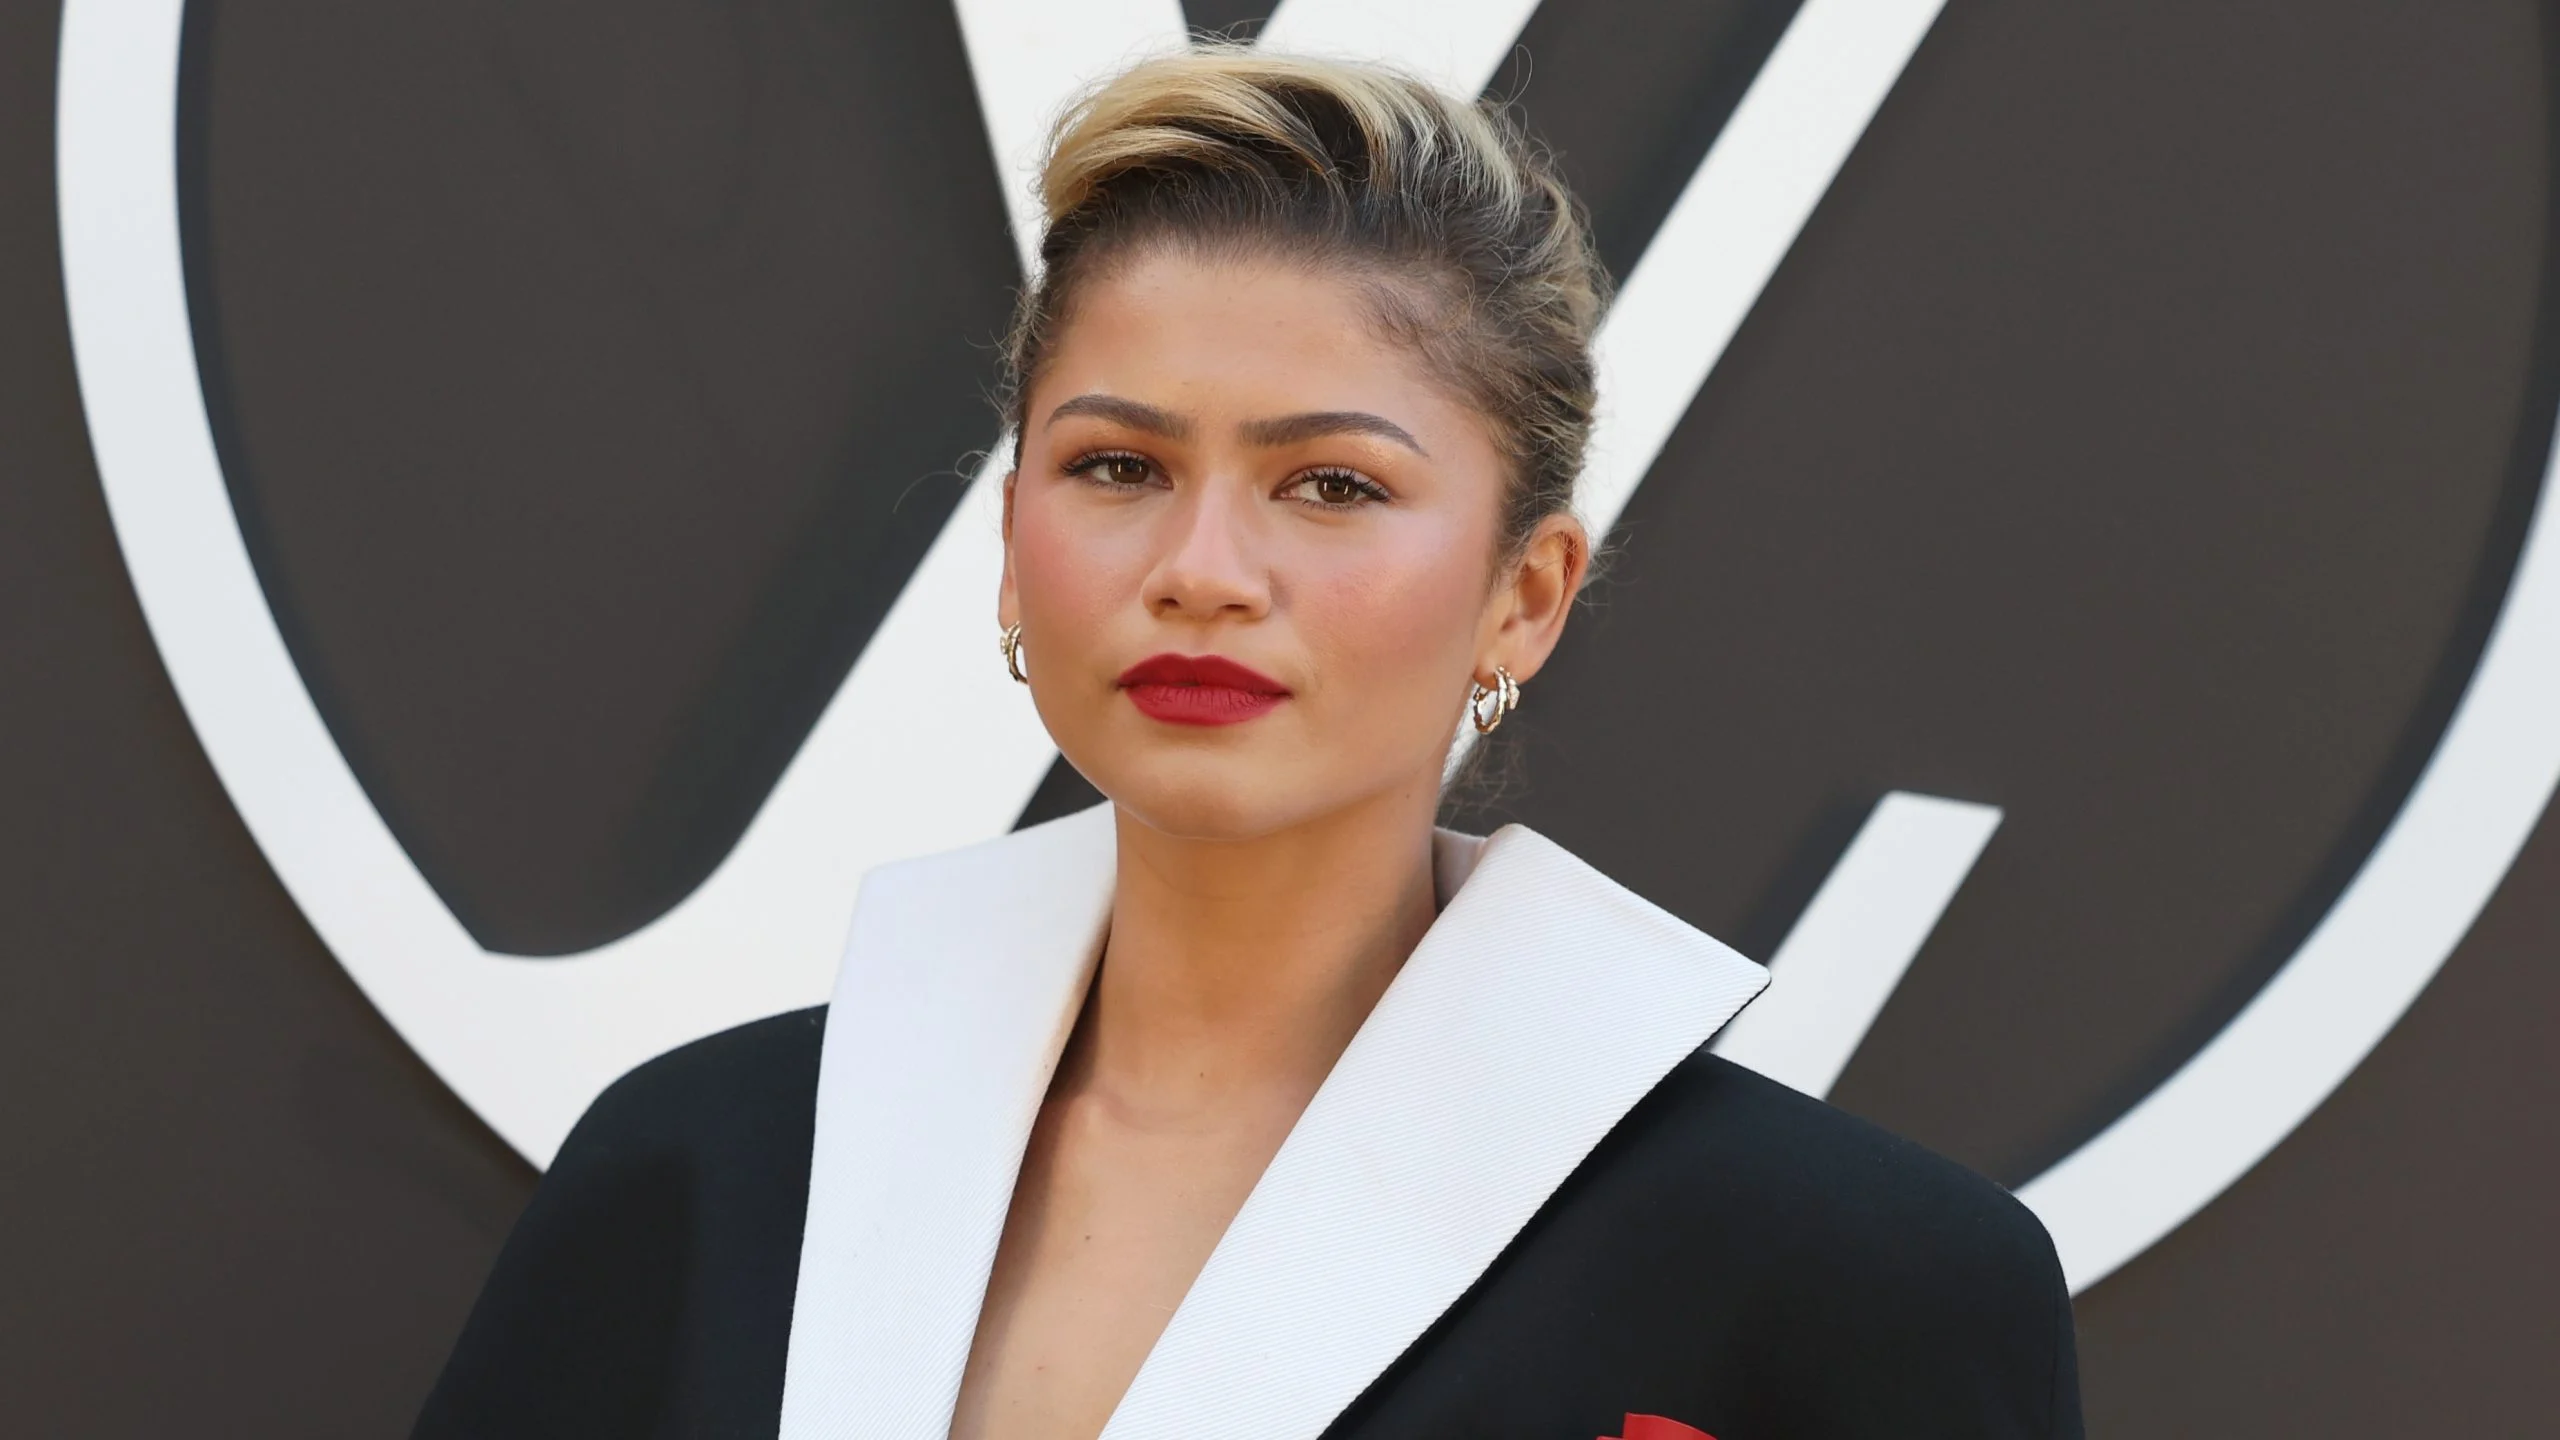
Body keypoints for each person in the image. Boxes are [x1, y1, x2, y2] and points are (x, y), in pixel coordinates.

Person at [414, 48, 2081, 1440]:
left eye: (1332, 485)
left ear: (1526, 594)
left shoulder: (1855, 1276)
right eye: (1118, 467)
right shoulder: (694, 1176)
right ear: (1011, 546)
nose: (1202, 569)